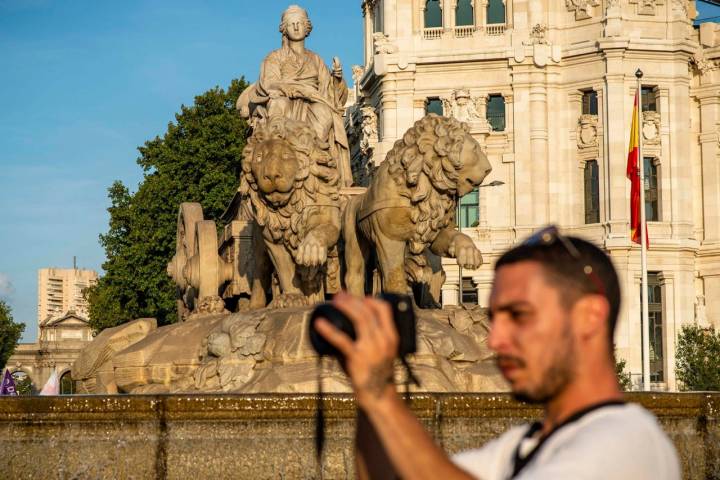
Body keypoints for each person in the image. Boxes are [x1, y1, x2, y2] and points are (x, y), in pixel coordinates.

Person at [314, 225, 681, 479]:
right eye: (494, 318)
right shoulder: (520, 447)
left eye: (518, 316)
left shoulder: (628, 441)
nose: (495, 340)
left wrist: (382, 395)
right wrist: (365, 390)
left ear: (589, 317)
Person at [239, 5, 353, 187]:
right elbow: (268, 84)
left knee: (324, 111)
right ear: (284, 29)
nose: (297, 27)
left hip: (313, 101)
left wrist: (337, 78)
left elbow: (331, 95)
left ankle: (314, 155)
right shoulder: (274, 57)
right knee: (278, 102)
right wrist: (290, 88)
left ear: (307, 27)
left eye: (300, 23)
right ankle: (278, 154)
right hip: (285, 100)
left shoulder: (316, 60)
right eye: (292, 24)